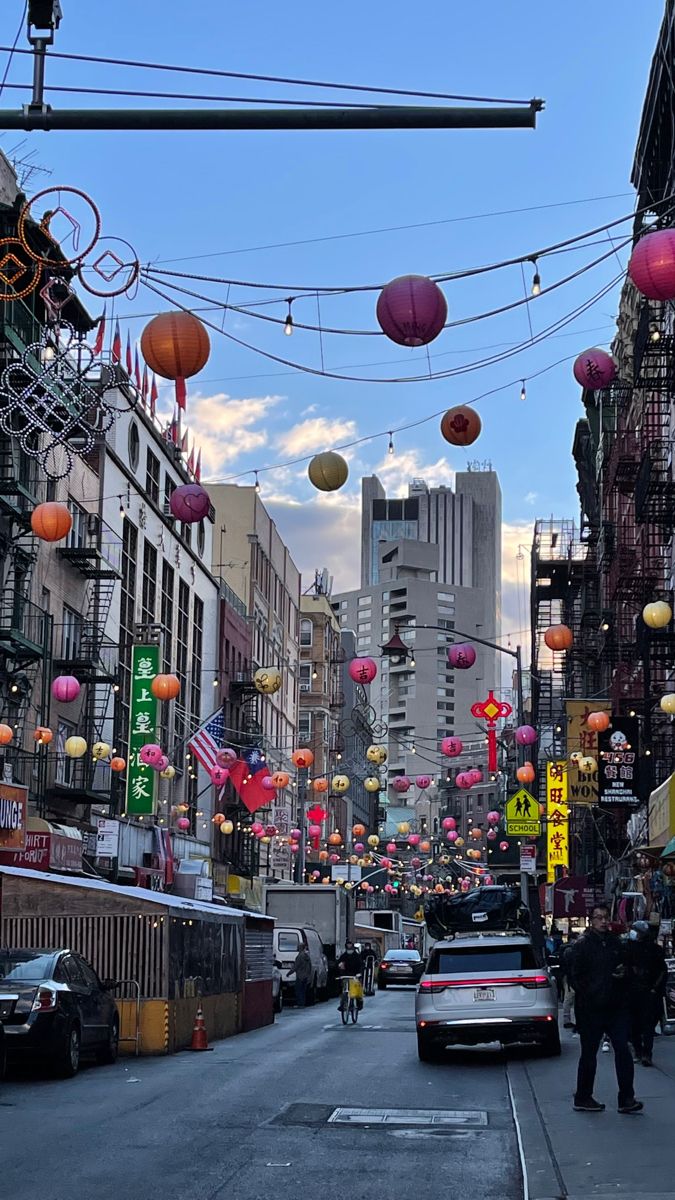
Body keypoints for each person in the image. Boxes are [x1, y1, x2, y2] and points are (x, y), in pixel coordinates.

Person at [567, 903, 643, 1115]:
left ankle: (627, 1098)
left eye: (605, 917)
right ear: (592, 920)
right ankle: (583, 1096)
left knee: (623, 1050)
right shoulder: (583, 946)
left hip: (615, 1006)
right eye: (598, 918)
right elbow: (574, 976)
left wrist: (623, 974)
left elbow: (628, 968)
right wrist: (590, 992)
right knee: (589, 1054)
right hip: (591, 1008)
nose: (603, 921)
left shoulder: (615, 943)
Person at [625, 920, 667, 1067]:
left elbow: (662, 971)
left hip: (648, 993)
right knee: (634, 1025)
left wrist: (655, 988)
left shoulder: (654, 950)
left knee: (647, 1025)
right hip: (633, 993)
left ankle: (646, 1054)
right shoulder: (629, 949)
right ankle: (638, 1050)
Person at [337, 940, 364, 1011]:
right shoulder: (343, 956)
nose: (349, 950)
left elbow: (361, 965)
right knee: (344, 989)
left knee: (357, 988)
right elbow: (339, 963)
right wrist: (339, 966)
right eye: (348, 948)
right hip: (346, 975)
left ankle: (359, 1003)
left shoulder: (357, 956)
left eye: (350, 948)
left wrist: (359, 973)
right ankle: (342, 1005)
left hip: (355, 975)